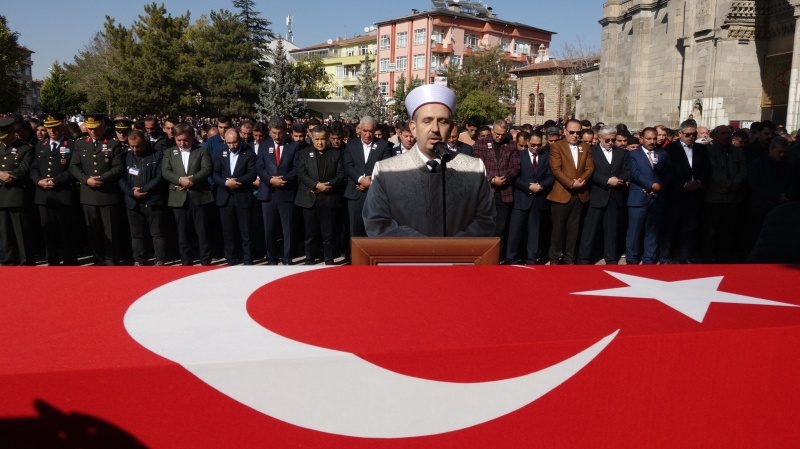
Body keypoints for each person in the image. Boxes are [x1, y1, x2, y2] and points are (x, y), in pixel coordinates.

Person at [363, 84, 495, 237]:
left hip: (459, 259)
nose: (435, 129)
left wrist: (451, 251)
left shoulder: (474, 169)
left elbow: (486, 221)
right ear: (413, 128)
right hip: (408, 260)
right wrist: (427, 249)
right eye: (427, 121)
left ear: (451, 127)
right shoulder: (386, 172)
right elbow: (376, 223)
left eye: (443, 121)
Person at [68, 113, 125, 265]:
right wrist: (86, 180)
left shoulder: (114, 144)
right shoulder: (80, 143)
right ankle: (98, 261)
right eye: (90, 128)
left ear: (103, 127)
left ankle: (111, 261)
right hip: (88, 194)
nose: (93, 131)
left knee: (110, 231)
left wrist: (101, 179)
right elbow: (73, 166)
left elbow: (119, 167)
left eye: (96, 128)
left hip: (107, 193)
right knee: (93, 231)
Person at [577, 126, 630, 265]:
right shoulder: (591, 152)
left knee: (611, 230)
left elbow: (627, 170)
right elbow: (589, 171)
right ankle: (584, 258)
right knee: (590, 230)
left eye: (613, 140)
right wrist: (606, 181)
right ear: (600, 138)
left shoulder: (621, 152)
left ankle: (611, 258)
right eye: (607, 140)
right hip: (596, 195)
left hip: (614, 196)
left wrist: (618, 180)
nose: (610, 142)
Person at [162, 124, 214, 266]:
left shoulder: (201, 151)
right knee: (182, 233)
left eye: (185, 140)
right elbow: (166, 171)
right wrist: (180, 180)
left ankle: (205, 261)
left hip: (199, 196)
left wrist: (191, 181)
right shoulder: (169, 152)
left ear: (192, 136)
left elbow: (207, 169)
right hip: (178, 198)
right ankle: (186, 261)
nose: (182, 143)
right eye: (178, 140)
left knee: (202, 232)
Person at [30, 113, 79, 266]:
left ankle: (70, 262)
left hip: (63, 194)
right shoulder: (40, 145)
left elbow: (73, 169)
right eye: (49, 128)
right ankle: (52, 262)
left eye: (55, 127)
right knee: (49, 233)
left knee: (67, 232)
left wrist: (55, 180)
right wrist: (39, 181)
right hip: (44, 195)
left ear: (62, 127)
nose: (52, 131)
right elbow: (34, 168)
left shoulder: (71, 145)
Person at [660, 120, 710, 264]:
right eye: (688, 135)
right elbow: (667, 172)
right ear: (680, 133)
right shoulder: (670, 149)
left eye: (693, 134)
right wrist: (683, 184)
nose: (691, 137)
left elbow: (706, 169)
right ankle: (665, 257)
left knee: (690, 228)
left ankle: (685, 257)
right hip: (675, 194)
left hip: (695, 194)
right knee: (670, 227)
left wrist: (699, 182)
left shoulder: (701, 149)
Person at [295, 126, 345, 265]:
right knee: (310, 234)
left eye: (323, 139)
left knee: (328, 234)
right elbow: (301, 173)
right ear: (311, 139)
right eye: (317, 139)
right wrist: (316, 185)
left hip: (329, 199)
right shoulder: (305, 153)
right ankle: (309, 259)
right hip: (309, 200)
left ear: (327, 138)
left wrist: (326, 187)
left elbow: (341, 174)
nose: (320, 142)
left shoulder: (335, 154)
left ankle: (329, 259)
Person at [547, 119, 594, 265]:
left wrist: (581, 181)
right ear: (565, 131)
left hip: (579, 195)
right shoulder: (557, 146)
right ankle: (554, 259)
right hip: (561, 194)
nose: (575, 135)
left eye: (578, 132)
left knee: (574, 230)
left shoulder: (585, 147)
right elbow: (556, 169)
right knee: (557, 230)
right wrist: (572, 183)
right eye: (572, 132)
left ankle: (569, 259)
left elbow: (590, 168)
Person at [472, 119, 520, 255]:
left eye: (503, 135)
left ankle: (497, 258)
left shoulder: (511, 145)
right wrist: (492, 179)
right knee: (483, 226)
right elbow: (477, 164)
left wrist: (504, 178)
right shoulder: (480, 144)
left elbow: (515, 166)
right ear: (492, 131)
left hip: (504, 193)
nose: (500, 137)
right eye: (497, 134)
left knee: (500, 229)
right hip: (486, 192)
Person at [119, 130, 166, 266]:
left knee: (157, 233)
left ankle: (159, 259)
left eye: (138, 146)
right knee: (136, 235)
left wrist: (144, 190)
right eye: (132, 146)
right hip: (133, 201)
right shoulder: (126, 156)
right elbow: (121, 178)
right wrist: (131, 192)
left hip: (152, 200)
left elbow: (159, 177)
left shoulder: (157, 155)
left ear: (144, 142)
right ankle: (138, 259)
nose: (135, 149)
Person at [256, 117, 299, 265]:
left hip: (286, 192)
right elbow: (259, 167)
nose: (277, 136)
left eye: (280, 133)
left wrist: (283, 180)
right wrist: (270, 180)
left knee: (287, 229)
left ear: (285, 132)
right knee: (269, 229)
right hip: (268, 193)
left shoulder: (293, 146)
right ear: (269, 131)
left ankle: (287, 258)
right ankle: (271, 258)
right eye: (274, 133)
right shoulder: (263, 145)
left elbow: (296, 168)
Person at [625, 128, 671, 264]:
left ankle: (649, 258)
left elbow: (669, 173)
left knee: (653, 232)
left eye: (654, 139)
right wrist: (651, 185)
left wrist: (659, 186)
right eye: (648, 139)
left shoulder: (662, 154)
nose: (651, 142)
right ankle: (632, 259)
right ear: (641, 139)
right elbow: (635, 172)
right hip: (638, 198)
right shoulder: (633, 154)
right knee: (634, 232)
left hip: (657, 198)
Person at [506, 131, 553, 264]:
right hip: (521, 199)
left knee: (534, 232)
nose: (536, 147)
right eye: (533, 144)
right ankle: (511, 258)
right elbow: (514, 176)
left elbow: (550, 176)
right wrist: (528, 187)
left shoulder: (546, 156)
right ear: (527, 142)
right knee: (515, 232)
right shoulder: (519, 155)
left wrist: (540, 185)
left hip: (538, 199)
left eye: (538, 145)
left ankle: (531, 258)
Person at [703, 125, 747, 263]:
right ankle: (708, 256)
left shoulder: (738, 152)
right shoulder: (709, 151)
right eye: (722, 133)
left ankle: (724, 257)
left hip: (733, 198)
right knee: (711, 230)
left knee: (728, 230)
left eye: (728, 133)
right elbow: (713, 171)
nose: (726, 136)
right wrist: (729, 184)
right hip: (715, 198)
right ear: (716, 136)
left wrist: (734, 186)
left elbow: (743, 171)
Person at [213, 128, 257, 265]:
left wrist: (236, 182)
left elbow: (252, 174)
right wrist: (226, 183)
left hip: (242, 196)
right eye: (229, 143)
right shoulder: (221, 153)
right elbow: (215, 174)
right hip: (225, 197)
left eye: (235, 142)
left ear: (240, 139)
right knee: (228, 231)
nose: (232, 146)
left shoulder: (248, 154)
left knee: (246, 231)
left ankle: (248, 258)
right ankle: (230, 258)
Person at [343, 116, 391, 238]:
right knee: (354, 231)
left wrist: (370, 183)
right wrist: (360, 179)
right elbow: (348, 166)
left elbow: (385, 168)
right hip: (355, 194)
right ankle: (353, 257)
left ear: (374, 131)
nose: (367, 134)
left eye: (370, 131)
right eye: (365, 131)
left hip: (375, 194)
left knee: (374, 232)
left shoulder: (383, 145)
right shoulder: (351, 144)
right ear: (359, 130)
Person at [0, 118, 35, 265]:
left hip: (17, 195)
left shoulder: (25, 148)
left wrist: (7, 175)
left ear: (12, 133)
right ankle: (9, 263)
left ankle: (26, 263)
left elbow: (24, 170)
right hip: (1, 197)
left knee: (22, 234)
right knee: (5, 234)